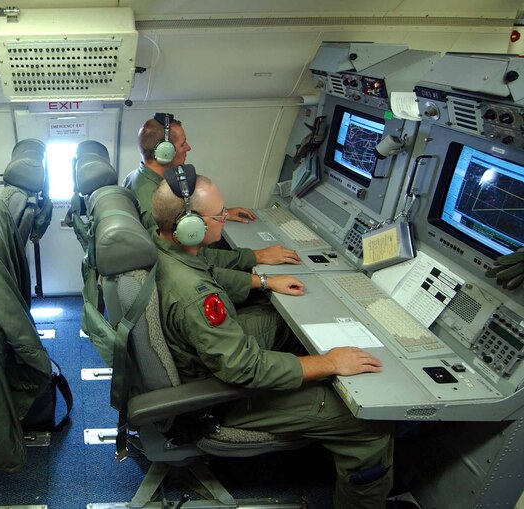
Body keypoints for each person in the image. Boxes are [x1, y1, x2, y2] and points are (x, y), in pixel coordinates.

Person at [151, 175, 395, 509]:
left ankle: (309, 400)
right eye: (219, 215)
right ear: (191, 226)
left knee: (283, 323)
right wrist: (330, 363)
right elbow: (244, 368)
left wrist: (264, 280)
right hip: (218, 400)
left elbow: (208, 269)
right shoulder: (196, 296)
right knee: (368, 429)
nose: (225, 218)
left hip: (206, 360)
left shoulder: (166, 247)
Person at [123, 115, 301, 301]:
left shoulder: (137, 178)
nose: (189, 148)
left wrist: (218, 213)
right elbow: (194, 262)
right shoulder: (151, 201)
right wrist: (257, 258)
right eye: (183, 144)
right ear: (165, 152)